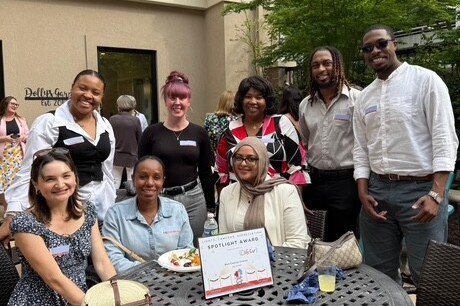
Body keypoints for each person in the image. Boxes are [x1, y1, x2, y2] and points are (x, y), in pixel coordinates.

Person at [353, 24, 458, 286]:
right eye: (368, 48)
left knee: (429, 274)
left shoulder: (426, 80)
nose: (375, 51)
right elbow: (361, 149)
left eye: (381, 44)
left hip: (421, 191)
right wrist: (362, 190)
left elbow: (445, 139)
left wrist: (437, 194)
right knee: (378, 274)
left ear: (394, 44)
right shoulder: (364, 97)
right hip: (377, 193)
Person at [0, 69, 116, 248]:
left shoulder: (105, 125)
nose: (87, 95)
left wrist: (112, 207)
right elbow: (29, 170)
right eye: (82, 88)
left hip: (101, 210)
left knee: (99, 262)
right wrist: (12, 214)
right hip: (62, 210)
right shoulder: (50, 122)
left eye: (95, 92)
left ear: (102, 97)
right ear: (72, 88)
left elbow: (108, 170)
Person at [7, 150, 116, 306]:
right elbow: (54, 279)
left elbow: (101, 262)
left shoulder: (87, 211)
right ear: (36, 184)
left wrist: (119, 293)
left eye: (66, 176)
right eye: (50, 179)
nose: (60, 184)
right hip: (41, 299)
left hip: (82, 295)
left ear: (75, 178)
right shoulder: (26, 224)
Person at [138, 71, 214, 246]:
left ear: (189, 101)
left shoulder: (199, 133)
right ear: (165, 100)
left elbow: (205, 171)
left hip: (194, 200)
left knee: (196, 247)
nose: (177, 103)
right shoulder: (151, 133)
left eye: (182, 98)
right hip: (161, 199)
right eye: (172, 98)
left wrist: (211, 206)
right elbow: (140, 169)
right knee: (166, 246)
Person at [298, 46, 361, 242]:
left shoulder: (356, 100)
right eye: (316, 65)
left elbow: (364, 142)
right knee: (314, 238)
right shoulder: (305, 104)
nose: (321, 69)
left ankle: (341, 274)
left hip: (346, 182)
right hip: (314, 182)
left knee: (343, 242)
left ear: (338, 66)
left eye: (327, 63)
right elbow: (306, 142)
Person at [102, 155, 194, 273]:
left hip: (174, 280)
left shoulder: (178, 211)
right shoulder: (115, 214)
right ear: (133, 179)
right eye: (143, 177)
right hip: (132, 283)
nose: (150, 183)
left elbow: (186, 252)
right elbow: (114, 259)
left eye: (156, 177)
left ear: (163, 181)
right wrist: (152, 273)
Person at [216, 75, 310, 187]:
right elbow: (222, 172)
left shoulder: (281, 124)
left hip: (276, 197)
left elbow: (297, 167)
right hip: (239, 198)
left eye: (259, 97)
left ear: (267, 101)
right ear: (241, 100)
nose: (253, 101)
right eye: (248, 97)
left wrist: (294, 200)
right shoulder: (230, 129)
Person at [218, 137, 310, 248]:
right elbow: (223, 240)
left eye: (251, 159)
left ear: (262, 161)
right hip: (238, 262)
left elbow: (297, 242)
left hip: (280, 262)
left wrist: (263, 261)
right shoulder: (227, 193)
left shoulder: (285, 191)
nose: (243, 164)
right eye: (238, 158)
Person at [0, 96, 29, 211]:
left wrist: (22, 137)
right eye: (12, 103)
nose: (14, 106)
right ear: (5, 104)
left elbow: (28, 135)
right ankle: (7, 210)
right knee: (4, 184)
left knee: (16, 183)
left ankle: (17, 210)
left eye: (16, 104)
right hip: (3, 157)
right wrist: (4, 139)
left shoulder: (21, 120)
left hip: (18, 155)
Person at [109, 95, 142, 189]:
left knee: (115, 182)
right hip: (132, 156)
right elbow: (140, 139)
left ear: (118, 105)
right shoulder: (135, 120)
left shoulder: (112, 119)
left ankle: (113, 202)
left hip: (116, 156)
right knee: (131, 182)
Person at [203, 90, 237, 156]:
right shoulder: (235, 120)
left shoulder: (210, 119)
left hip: (212, 157)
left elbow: (204, 140)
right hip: (228, 157)